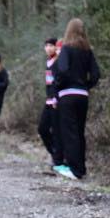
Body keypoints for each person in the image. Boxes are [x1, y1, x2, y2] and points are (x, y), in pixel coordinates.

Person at [52, 18, 101, 180]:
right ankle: (81, 168)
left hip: (67, 95)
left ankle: (74, 170)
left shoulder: (66, 48)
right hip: (83, 96)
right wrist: (85, 86)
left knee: (69, 133)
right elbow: (96, 75)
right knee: (79, 132)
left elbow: (63, 70)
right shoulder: (88, 51)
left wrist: (59, 86)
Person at [38, 38, 62, 167]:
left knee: (57, 131)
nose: (48, 48)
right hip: (48, 101)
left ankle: (58, 159)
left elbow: (59, 82)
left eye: (51, 45)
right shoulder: (48, 62)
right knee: (42, 129)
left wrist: (56, 98)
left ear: (56, 47)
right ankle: (54, 153)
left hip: (56, 102)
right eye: (46, 45)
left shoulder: (59, 62)